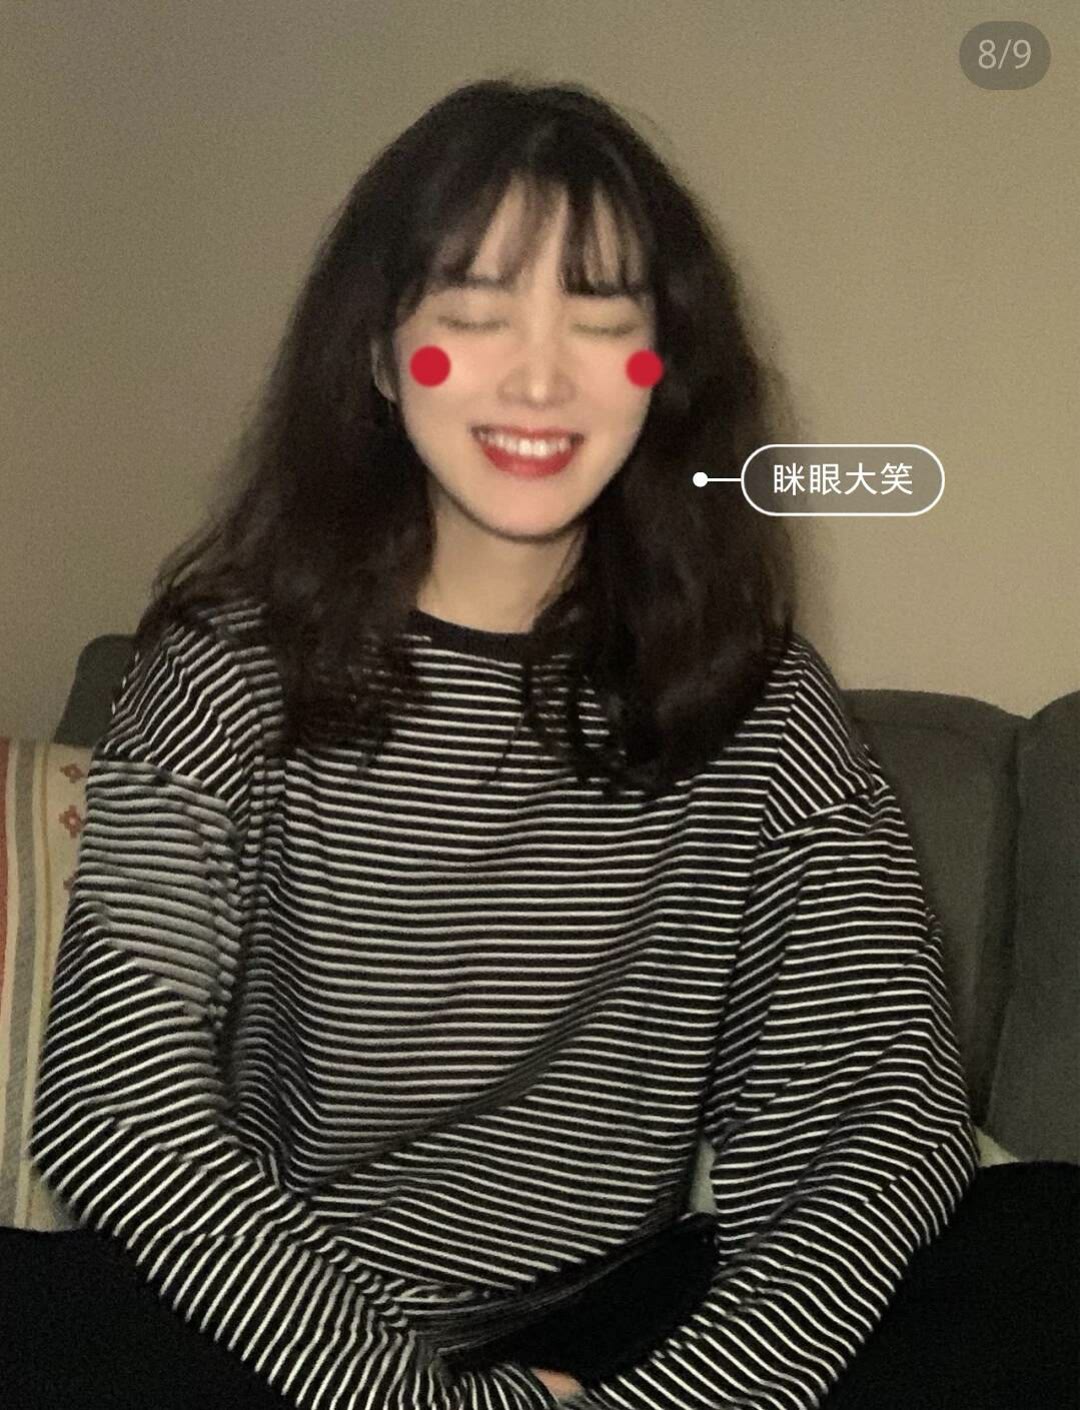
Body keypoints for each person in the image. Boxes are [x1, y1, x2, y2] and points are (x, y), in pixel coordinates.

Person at [3, 76, 1075, 1410]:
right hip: (277, 1316)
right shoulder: (223, 664)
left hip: (613, 1311)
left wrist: (686, 1396)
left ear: (661, 373)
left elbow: (880, 1106)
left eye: (602, 321)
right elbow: (115, 1094)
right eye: (473, 314)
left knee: (1044, 1239)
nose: (539, 375)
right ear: (381, 357)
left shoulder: (760, 700)